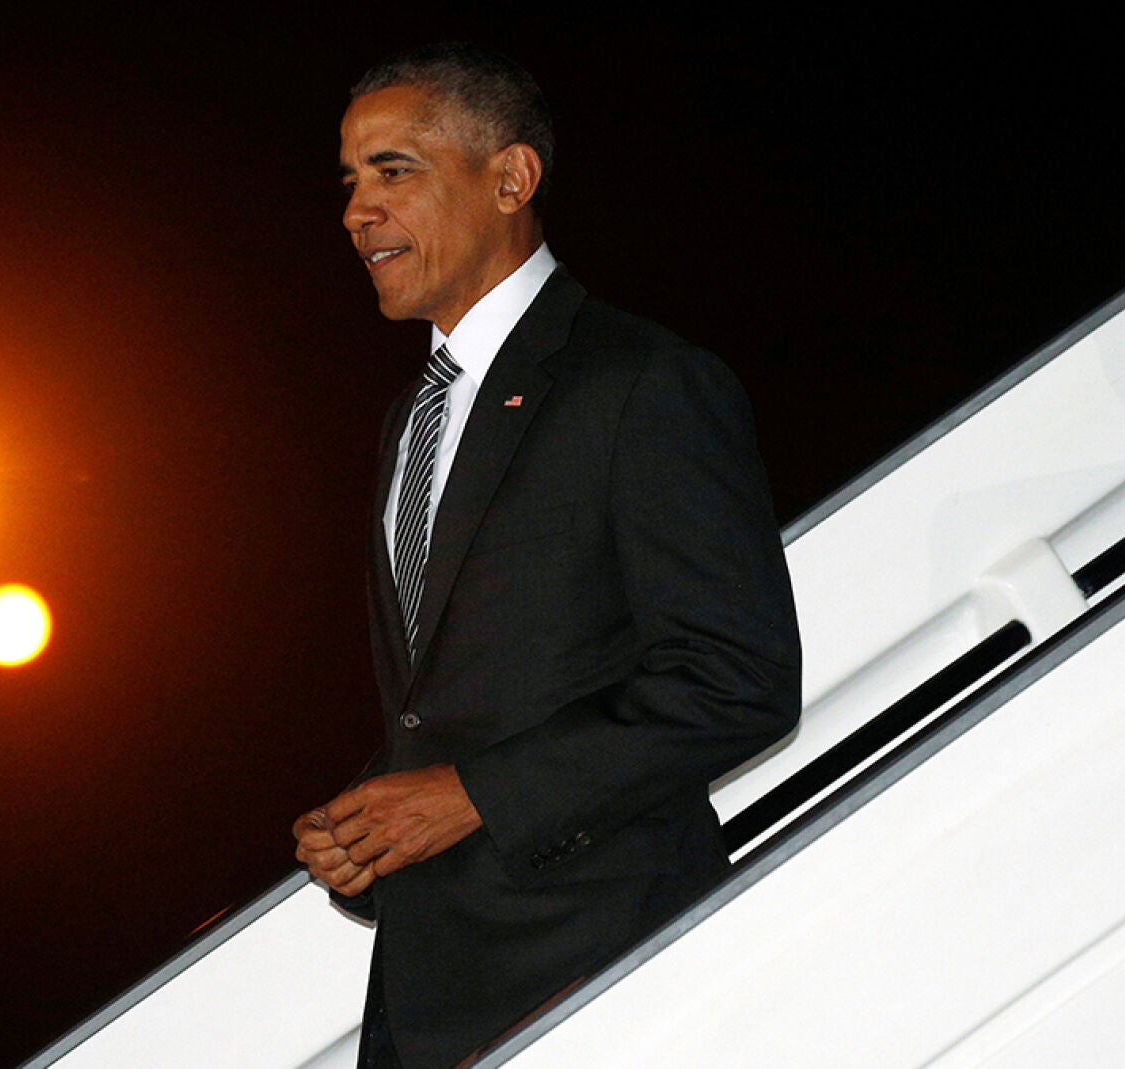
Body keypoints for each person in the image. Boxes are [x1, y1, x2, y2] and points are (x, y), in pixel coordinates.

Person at [292, 44, 804, 1069]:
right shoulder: (409, 420)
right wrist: (370, 828)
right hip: (436, 1003)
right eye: (350, 181)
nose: (357, 211)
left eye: (394, 170)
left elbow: (736, 680)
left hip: (605, 972)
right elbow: (463, 697)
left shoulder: (641, 382)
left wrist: (474, 795)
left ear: (510, 179)